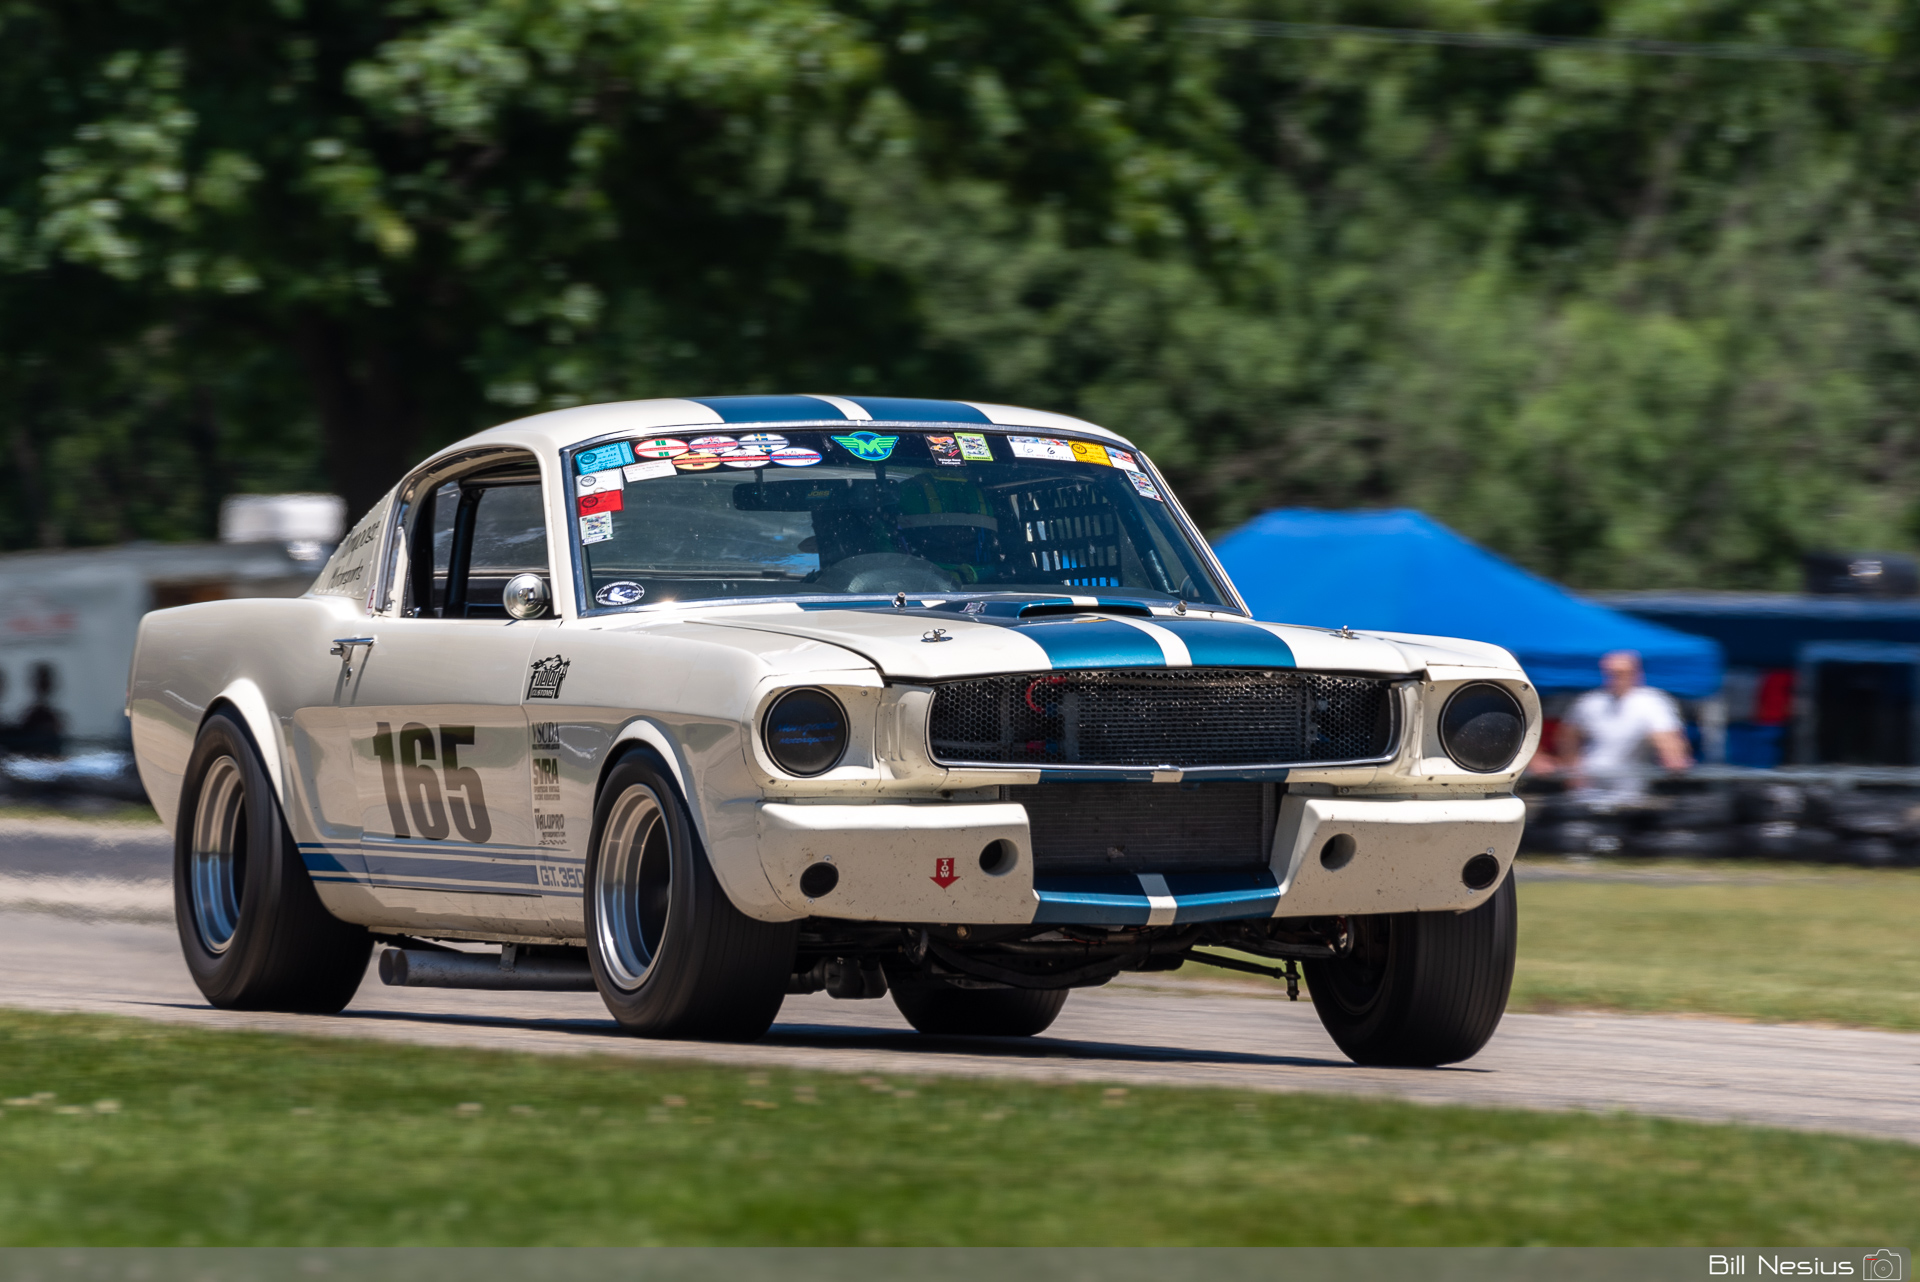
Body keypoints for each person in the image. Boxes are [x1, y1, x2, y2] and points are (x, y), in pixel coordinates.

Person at [1557, 650, 1691, 802]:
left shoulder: (1651, 701)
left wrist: (1673, 757)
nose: (1616, 677)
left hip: (1631, 791)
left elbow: (1666, 736)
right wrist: (1571, 766)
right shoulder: (1590, 701)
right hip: (1587, 789)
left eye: (1622, 672)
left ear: (1637, 672)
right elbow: (1568, 735)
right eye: (1611, 672)